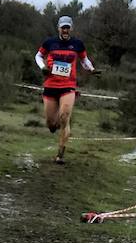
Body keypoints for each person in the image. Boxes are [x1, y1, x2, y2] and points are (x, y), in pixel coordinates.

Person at [35, 15, 98, 164]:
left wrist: (91, 69)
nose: (65, 30)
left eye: (67, 27)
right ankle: (55, 125)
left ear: (71, 29)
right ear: (58, 28)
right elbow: (38, 56)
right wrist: (43, 67)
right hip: (50, 85)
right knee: (51, 123)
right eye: (63, 27)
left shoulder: (77, 44)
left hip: (68, 86)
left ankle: (60, 154)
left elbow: (84, 60)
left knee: (64, 117)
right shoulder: (49, 43)